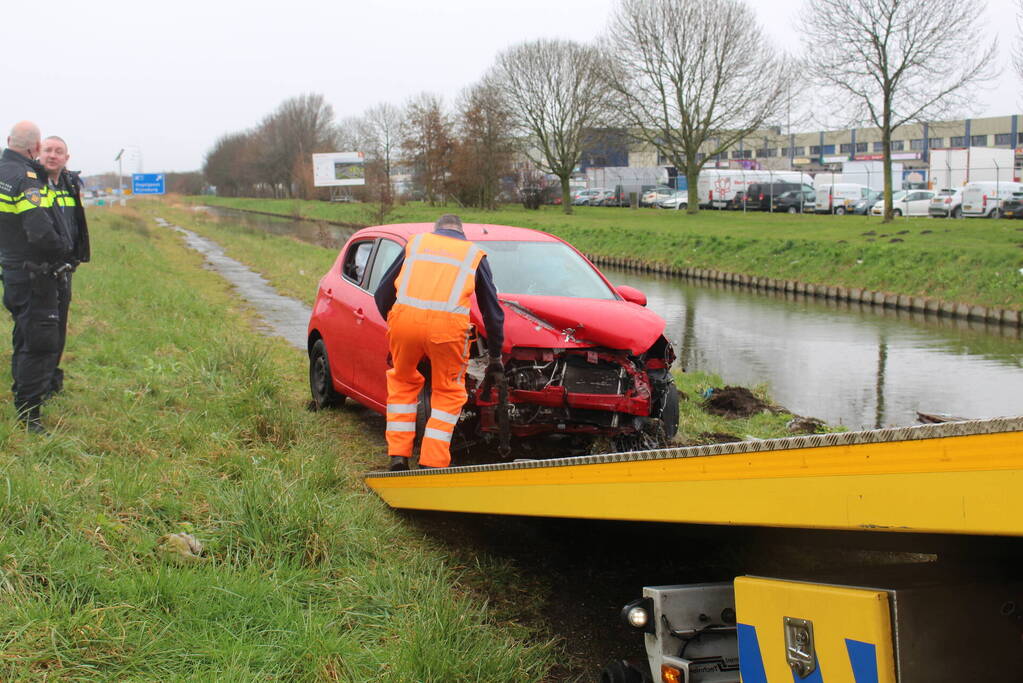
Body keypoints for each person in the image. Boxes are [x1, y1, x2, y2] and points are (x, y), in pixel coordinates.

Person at [374, 214, 504, 471]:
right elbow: (492, 311)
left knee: (402, 382)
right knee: (448, 392)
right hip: (447, 332)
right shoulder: (473, 254)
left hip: (405, 323)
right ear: (461, 232)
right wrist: (496, 355)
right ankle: (431, 463)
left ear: (437, 230)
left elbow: (382, 294)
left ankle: (398, 457)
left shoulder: (416, 244)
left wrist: (396, 323)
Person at [0, 122, 73, 433]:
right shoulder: (26, 179)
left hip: (12, 271)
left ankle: (21, 394)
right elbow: (39, 230)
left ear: (8, 140)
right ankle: (29, 416)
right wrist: (63, 253)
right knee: (41, 342)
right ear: (35, 147)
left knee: (24, 334)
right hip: (34, 275)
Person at [38, 136, 90, 397]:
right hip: (39, 270)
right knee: (38, 330)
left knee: (59, 326)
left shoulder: (69, 184)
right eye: (48, 150)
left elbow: (75, 223)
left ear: (66, 158)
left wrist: (76, 255)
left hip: (65, 269)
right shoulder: (31, 182)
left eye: (59, 151)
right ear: (38, 153)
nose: (52, 155)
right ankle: (36, 383)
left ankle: (51, 378)